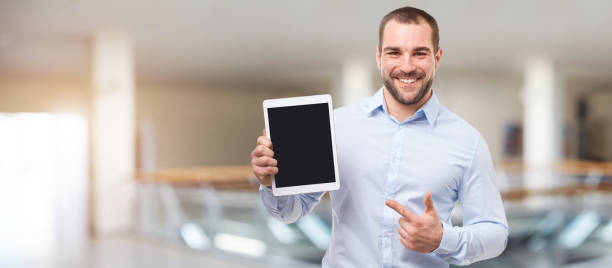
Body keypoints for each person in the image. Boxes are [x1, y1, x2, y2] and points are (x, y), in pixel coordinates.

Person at [250, 6, 508, 268]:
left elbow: (495, 234)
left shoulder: (467, 141)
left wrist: (443, 238)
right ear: (379, 57)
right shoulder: (336, 126)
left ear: (437, 57)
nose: (406, 66)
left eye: (419, 53)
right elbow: (289, 212)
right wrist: (272, 183)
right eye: (394, 52)